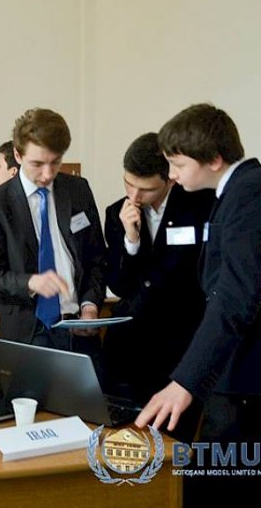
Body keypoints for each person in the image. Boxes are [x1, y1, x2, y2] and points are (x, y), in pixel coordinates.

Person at [135, 104, 261, 500]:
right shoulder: (237, 191)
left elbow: (234, 299)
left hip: (246, 378)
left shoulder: (249, 194)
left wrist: (185, 382)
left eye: (178, 164)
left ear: (214, 159)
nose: (172, 175)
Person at [102, 133, 213, 441]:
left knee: (174, 441)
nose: (135, 195)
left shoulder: (200, 206)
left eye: (146, 188)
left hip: (180, 344)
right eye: (128, 184)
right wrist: (131, 239)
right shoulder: (116, 213)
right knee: (126, 437)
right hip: (131, 346)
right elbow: (119, 284)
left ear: (170, 179)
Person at [0, 108, 106, 357]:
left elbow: (96, 259)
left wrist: (90, 305)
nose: (47, 174)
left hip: (78, 328)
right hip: (28, 331)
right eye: (37, 164)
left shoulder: (78, 190)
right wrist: (32, 282)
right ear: (18, 155)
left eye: (55, 162)